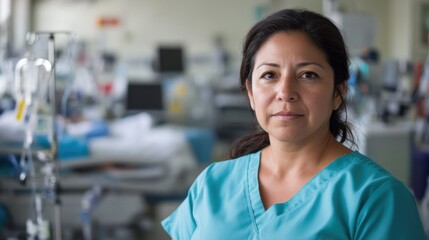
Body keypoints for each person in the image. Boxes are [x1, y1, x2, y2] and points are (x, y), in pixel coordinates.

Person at [161, 8, 426, 239]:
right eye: (269, 75)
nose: (285, 91)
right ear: (251, 93)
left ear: (338, 92)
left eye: (308, 74)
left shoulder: (376, 198)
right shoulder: (212, 184)